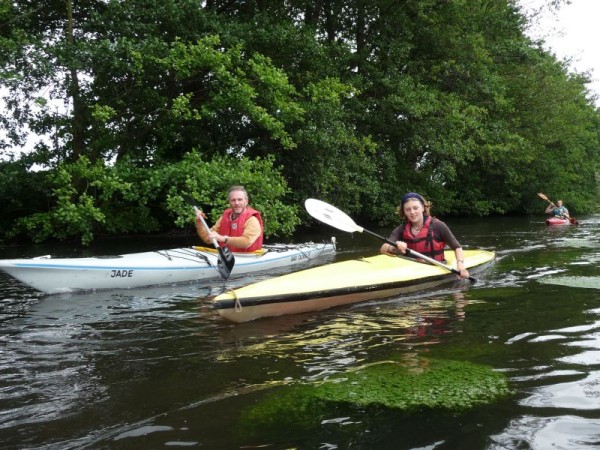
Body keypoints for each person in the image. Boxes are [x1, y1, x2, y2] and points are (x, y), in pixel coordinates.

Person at [379, 192, 470, 279]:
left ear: (422, 208)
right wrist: (394, 247)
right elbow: (383, 249)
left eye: (415, 208)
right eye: (408, 209)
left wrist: (460, 265)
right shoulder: (401, 229)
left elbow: (457, 247)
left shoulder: (438, 225)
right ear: (404, 212)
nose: (412, 212)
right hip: (412, 270)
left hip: (436, 267)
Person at [195, 185, 264, 252]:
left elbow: (246, 242)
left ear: (246, 201)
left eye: (240, 199)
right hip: (228, 257)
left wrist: (223, 238)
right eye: (233, 200)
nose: (236, 203)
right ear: (229, 202)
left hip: (247, 258)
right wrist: (199, 222)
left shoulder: (252, 220)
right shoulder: (224, 218)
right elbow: (207, 239)